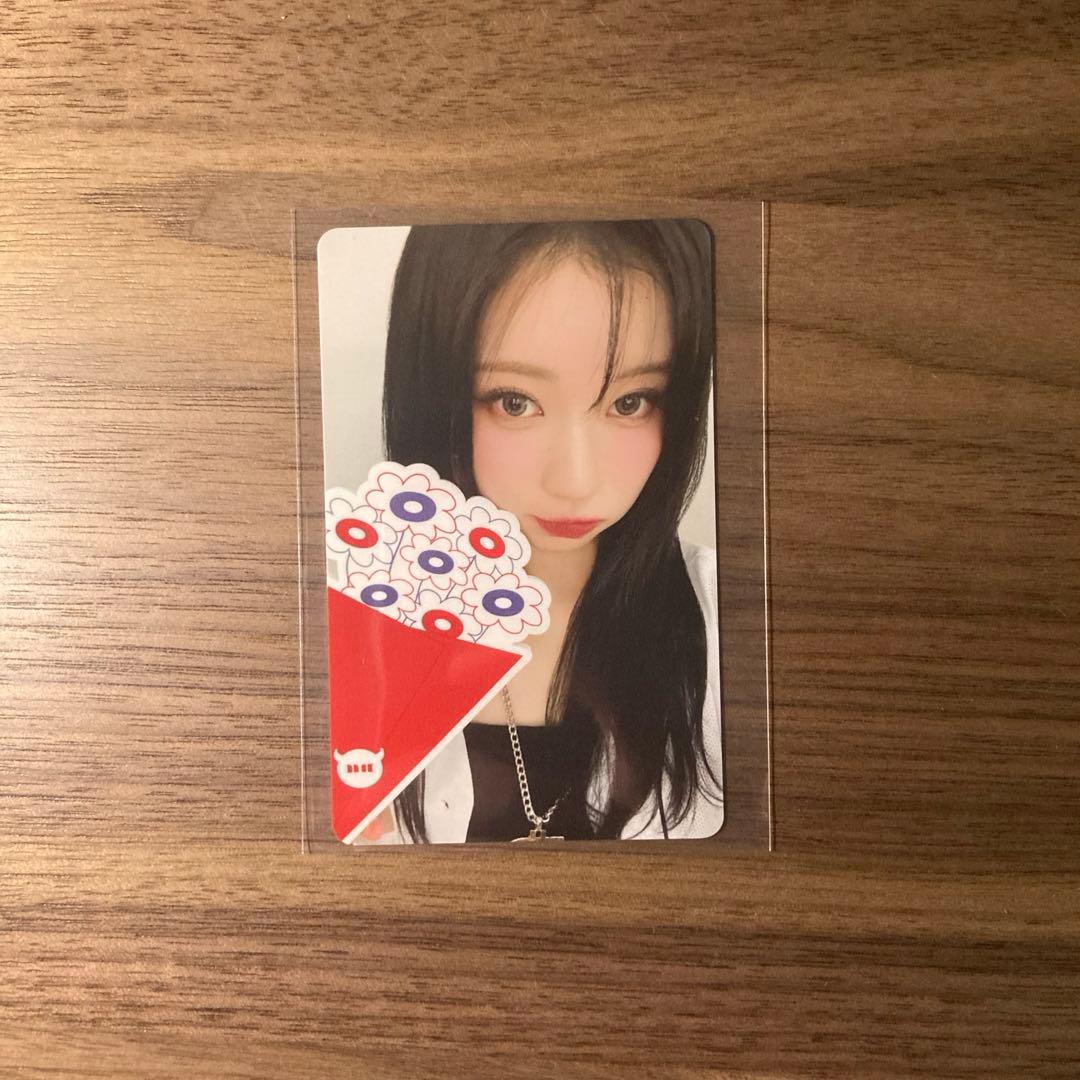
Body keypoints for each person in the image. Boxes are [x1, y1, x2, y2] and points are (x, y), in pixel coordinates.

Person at [380, 219, 722, 843]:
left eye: (630, 402)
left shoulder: (731, 622)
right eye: (514, 402)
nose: (575, 481)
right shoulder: (348, 630)